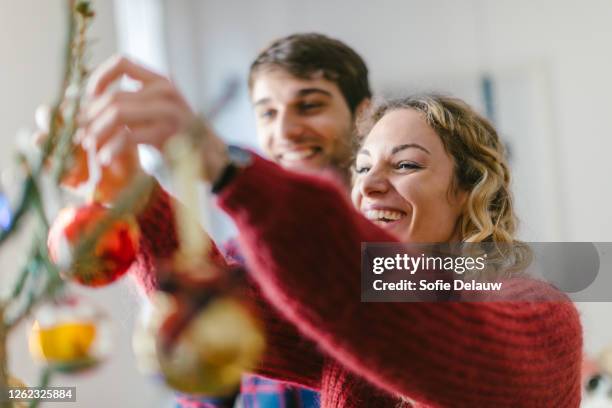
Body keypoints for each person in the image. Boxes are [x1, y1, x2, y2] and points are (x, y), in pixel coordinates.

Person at [81, 47, 583, 405]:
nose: (370, 186)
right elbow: (221, 308)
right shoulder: (355, 310)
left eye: (405, 165)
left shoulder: (541, 312)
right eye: (363, 168)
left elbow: (427, 328)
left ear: (470, 191)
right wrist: (130, 193)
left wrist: (226, 166)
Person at [78, 33, 371, 407]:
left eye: (309, 105)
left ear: (363, 114)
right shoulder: (232, 262)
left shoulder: (405, 254)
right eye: (268, 112)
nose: (285, 131)